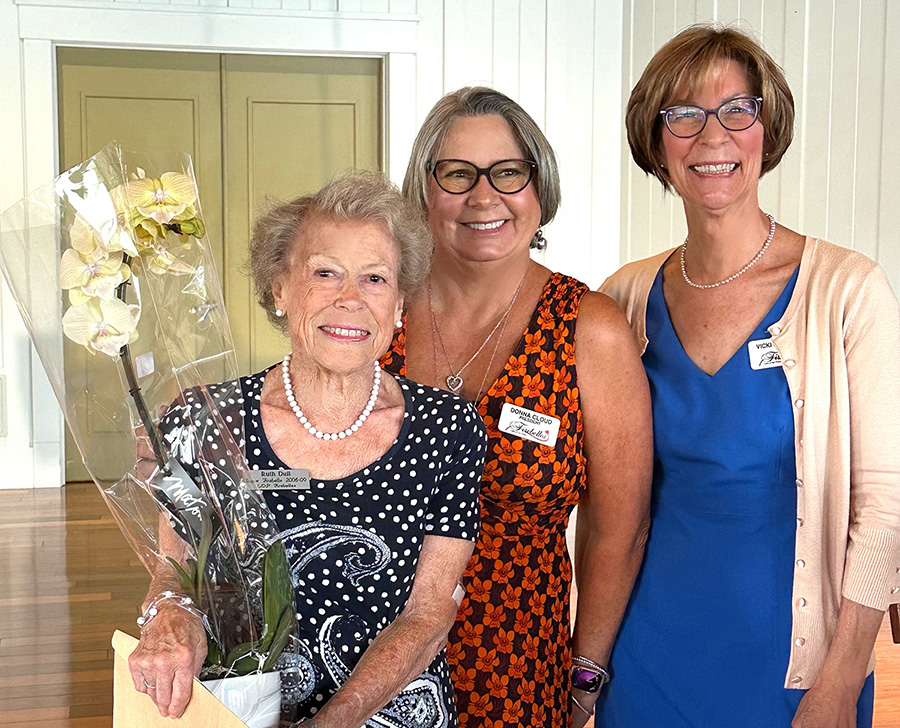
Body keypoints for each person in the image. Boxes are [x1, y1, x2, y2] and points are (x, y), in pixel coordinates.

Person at [597, 24, 900, 728]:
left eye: (739, 109)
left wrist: (841, 678)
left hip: (798, 663)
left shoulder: (848, 290)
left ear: (768, 127)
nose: (713, 137)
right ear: (655, 137)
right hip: (647, 655)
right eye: (683, 115)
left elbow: (885, 505)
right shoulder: (622, 299)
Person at [127, 171, 488, 728]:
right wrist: (169, 617)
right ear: (280, 289)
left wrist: (332, 722)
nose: (350, 299)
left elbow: (430, 611)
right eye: (325, 273)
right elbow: (174, 573)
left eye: (375, 279)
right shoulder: (205, 420)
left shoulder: (448, 429)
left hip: (395, 714)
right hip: (239, 710)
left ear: (398, 304)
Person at [380, 87, 653, 727]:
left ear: (538, 188)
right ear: (423, 190)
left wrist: (586, 677)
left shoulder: (589, 328)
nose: (484, 197)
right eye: (457, 173)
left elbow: (619, 530)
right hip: (368, 655)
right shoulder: (377, 306)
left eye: (509, 172)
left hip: (516, 668)